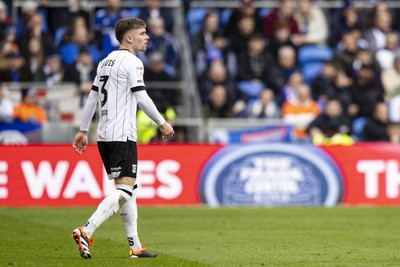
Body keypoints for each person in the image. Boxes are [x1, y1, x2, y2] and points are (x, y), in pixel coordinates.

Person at [71, 18, 174, 260]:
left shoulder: (104, 62)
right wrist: (162, 122)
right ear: (129, 38)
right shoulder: (133, 62)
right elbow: (142, 97)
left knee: (128, 190)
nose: (146, 37)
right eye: (142, 33)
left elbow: (92, 99)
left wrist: (83, 131)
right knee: (126, 191)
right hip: (122, 134)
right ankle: (86, 230)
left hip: (104, 135)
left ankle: (135, 246)